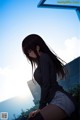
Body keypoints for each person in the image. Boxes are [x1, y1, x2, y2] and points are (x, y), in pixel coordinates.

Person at [22, 34, 76, 120]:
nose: (29, 54)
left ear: (37, 47)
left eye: (30, 50)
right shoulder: (41, 61)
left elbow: (46, 84)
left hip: (61, 99)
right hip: (54, 100)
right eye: (27, 52)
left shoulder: (44, 58)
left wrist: (41, 107)